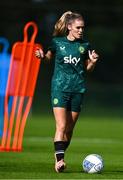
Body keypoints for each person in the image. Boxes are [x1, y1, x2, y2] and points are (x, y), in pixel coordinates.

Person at [35, 11, 99, 173]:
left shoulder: (85, 45)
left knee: (69, 130)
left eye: (82, 28)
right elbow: (48, 58)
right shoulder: (57, 42)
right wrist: (42, 56)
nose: (81, 30)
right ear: (69, 27)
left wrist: (93, 62)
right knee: (61, 126)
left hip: (78, 89)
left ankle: (60, 154)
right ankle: (60, 161)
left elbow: (88, 69)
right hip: (59, 88)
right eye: (78, 27)